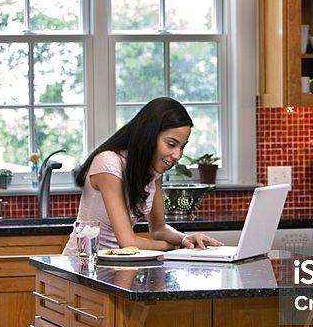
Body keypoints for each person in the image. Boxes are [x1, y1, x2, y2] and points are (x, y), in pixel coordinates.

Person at [64, 97, 223, 255]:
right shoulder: (108, 163)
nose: (177, 155)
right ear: (149, 135)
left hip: (118, 264)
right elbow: (128, 242)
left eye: (182, 147)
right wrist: (170, 247)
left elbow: (159, 229)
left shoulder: (152, 169)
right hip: (83, 265)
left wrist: (185, 239)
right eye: (171, 144)